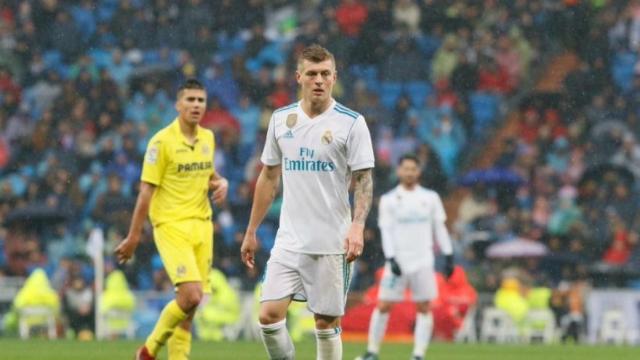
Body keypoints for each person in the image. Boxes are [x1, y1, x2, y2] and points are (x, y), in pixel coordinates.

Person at [241, 44, 374, 360]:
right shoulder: (281, 119)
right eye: (312, 74)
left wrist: (357, 227)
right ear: (298, 76)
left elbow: (364, 180)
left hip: (331, 241)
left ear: (334, 77)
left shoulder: (352, 123)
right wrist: (251, 230)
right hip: (289, 240)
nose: (319, 80)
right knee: (268, 317)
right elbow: (269, 178)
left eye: (325, 74)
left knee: (325, 323)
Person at [114, 78, 228, 360]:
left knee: (189, 309)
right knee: (191, 296)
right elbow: (145, 192)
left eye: (201, 100)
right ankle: (148, 351)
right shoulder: (161, 142)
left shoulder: (208, 139)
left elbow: (207, 173)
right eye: (190, 100)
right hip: (171, 225)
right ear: (178, 105)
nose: (196, 105)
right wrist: (134, 236)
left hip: (202, 225)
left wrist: (221, 181)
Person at [357, 154, 454, 360]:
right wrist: (391, 258)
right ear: (399, 171)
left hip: (423, 260)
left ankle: (418, 354)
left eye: (413, 168)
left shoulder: (430, 198)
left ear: (418, 172)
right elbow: (387, 231)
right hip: (399, 260)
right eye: (406, 168)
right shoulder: (389, 199)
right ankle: (372, 351)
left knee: (424, 307)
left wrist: (448, 254)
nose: (409, 172)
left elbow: (440, 228)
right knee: (383, 305)